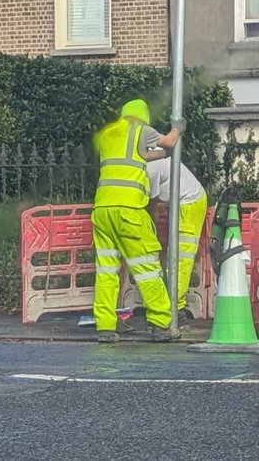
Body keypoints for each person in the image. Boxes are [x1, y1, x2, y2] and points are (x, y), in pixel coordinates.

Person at [91, 99, 184, 343]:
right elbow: (169, 141)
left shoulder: (108, 134)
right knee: (147, 268)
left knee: (106, 271)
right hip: (129, 210)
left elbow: (135, 157)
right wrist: (178, 128)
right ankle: (161, 324)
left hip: (102, 210)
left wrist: (161, 155)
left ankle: (105, 327)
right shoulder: (141, 130)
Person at [144, 155, 208, 323]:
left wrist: (153, 232)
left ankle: (176, 307)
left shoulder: (151, 169)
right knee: (176, 255)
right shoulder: (150, 160)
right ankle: (173, 304)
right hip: (183, 201)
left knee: (181, 257)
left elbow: (152, 204)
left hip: (191, 202)